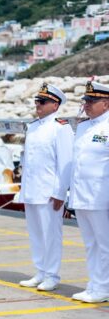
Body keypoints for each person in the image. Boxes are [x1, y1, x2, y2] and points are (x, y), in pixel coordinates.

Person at [18, 84, 73, 292]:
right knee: (36, 234)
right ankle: (40, 270)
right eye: (37, 101)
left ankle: (51, 274)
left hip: (49, 192)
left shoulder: (61, 128)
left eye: (43, 102)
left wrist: (60, 193)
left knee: (51, 235)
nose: (38, 105)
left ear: (55, 105)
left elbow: (66, 163)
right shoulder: (33, 127)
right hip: (32, 189)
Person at [69, 81, 109, 303]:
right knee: (90, 244)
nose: (87, 105)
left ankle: (104, 288)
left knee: (105, 245)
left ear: (105, 103)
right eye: (85, 101)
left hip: (101, 196)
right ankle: (94, 284)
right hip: (81, 195)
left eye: (92, 101)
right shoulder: (83, 127)